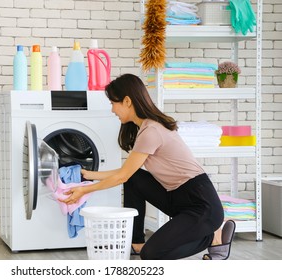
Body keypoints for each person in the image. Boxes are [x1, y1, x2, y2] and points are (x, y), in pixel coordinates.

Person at [60, 73, 235, 260]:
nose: (112, 109)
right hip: (177, 197)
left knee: (152, 254)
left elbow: (121, 176)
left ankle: (212, 238)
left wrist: (84, 191)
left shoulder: (151, 131)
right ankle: (137, 242)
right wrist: (87, 174)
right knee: (135, 179)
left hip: (201, 203)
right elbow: (126, 174)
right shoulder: (144, 128)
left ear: (127, 101)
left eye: (113, 103)